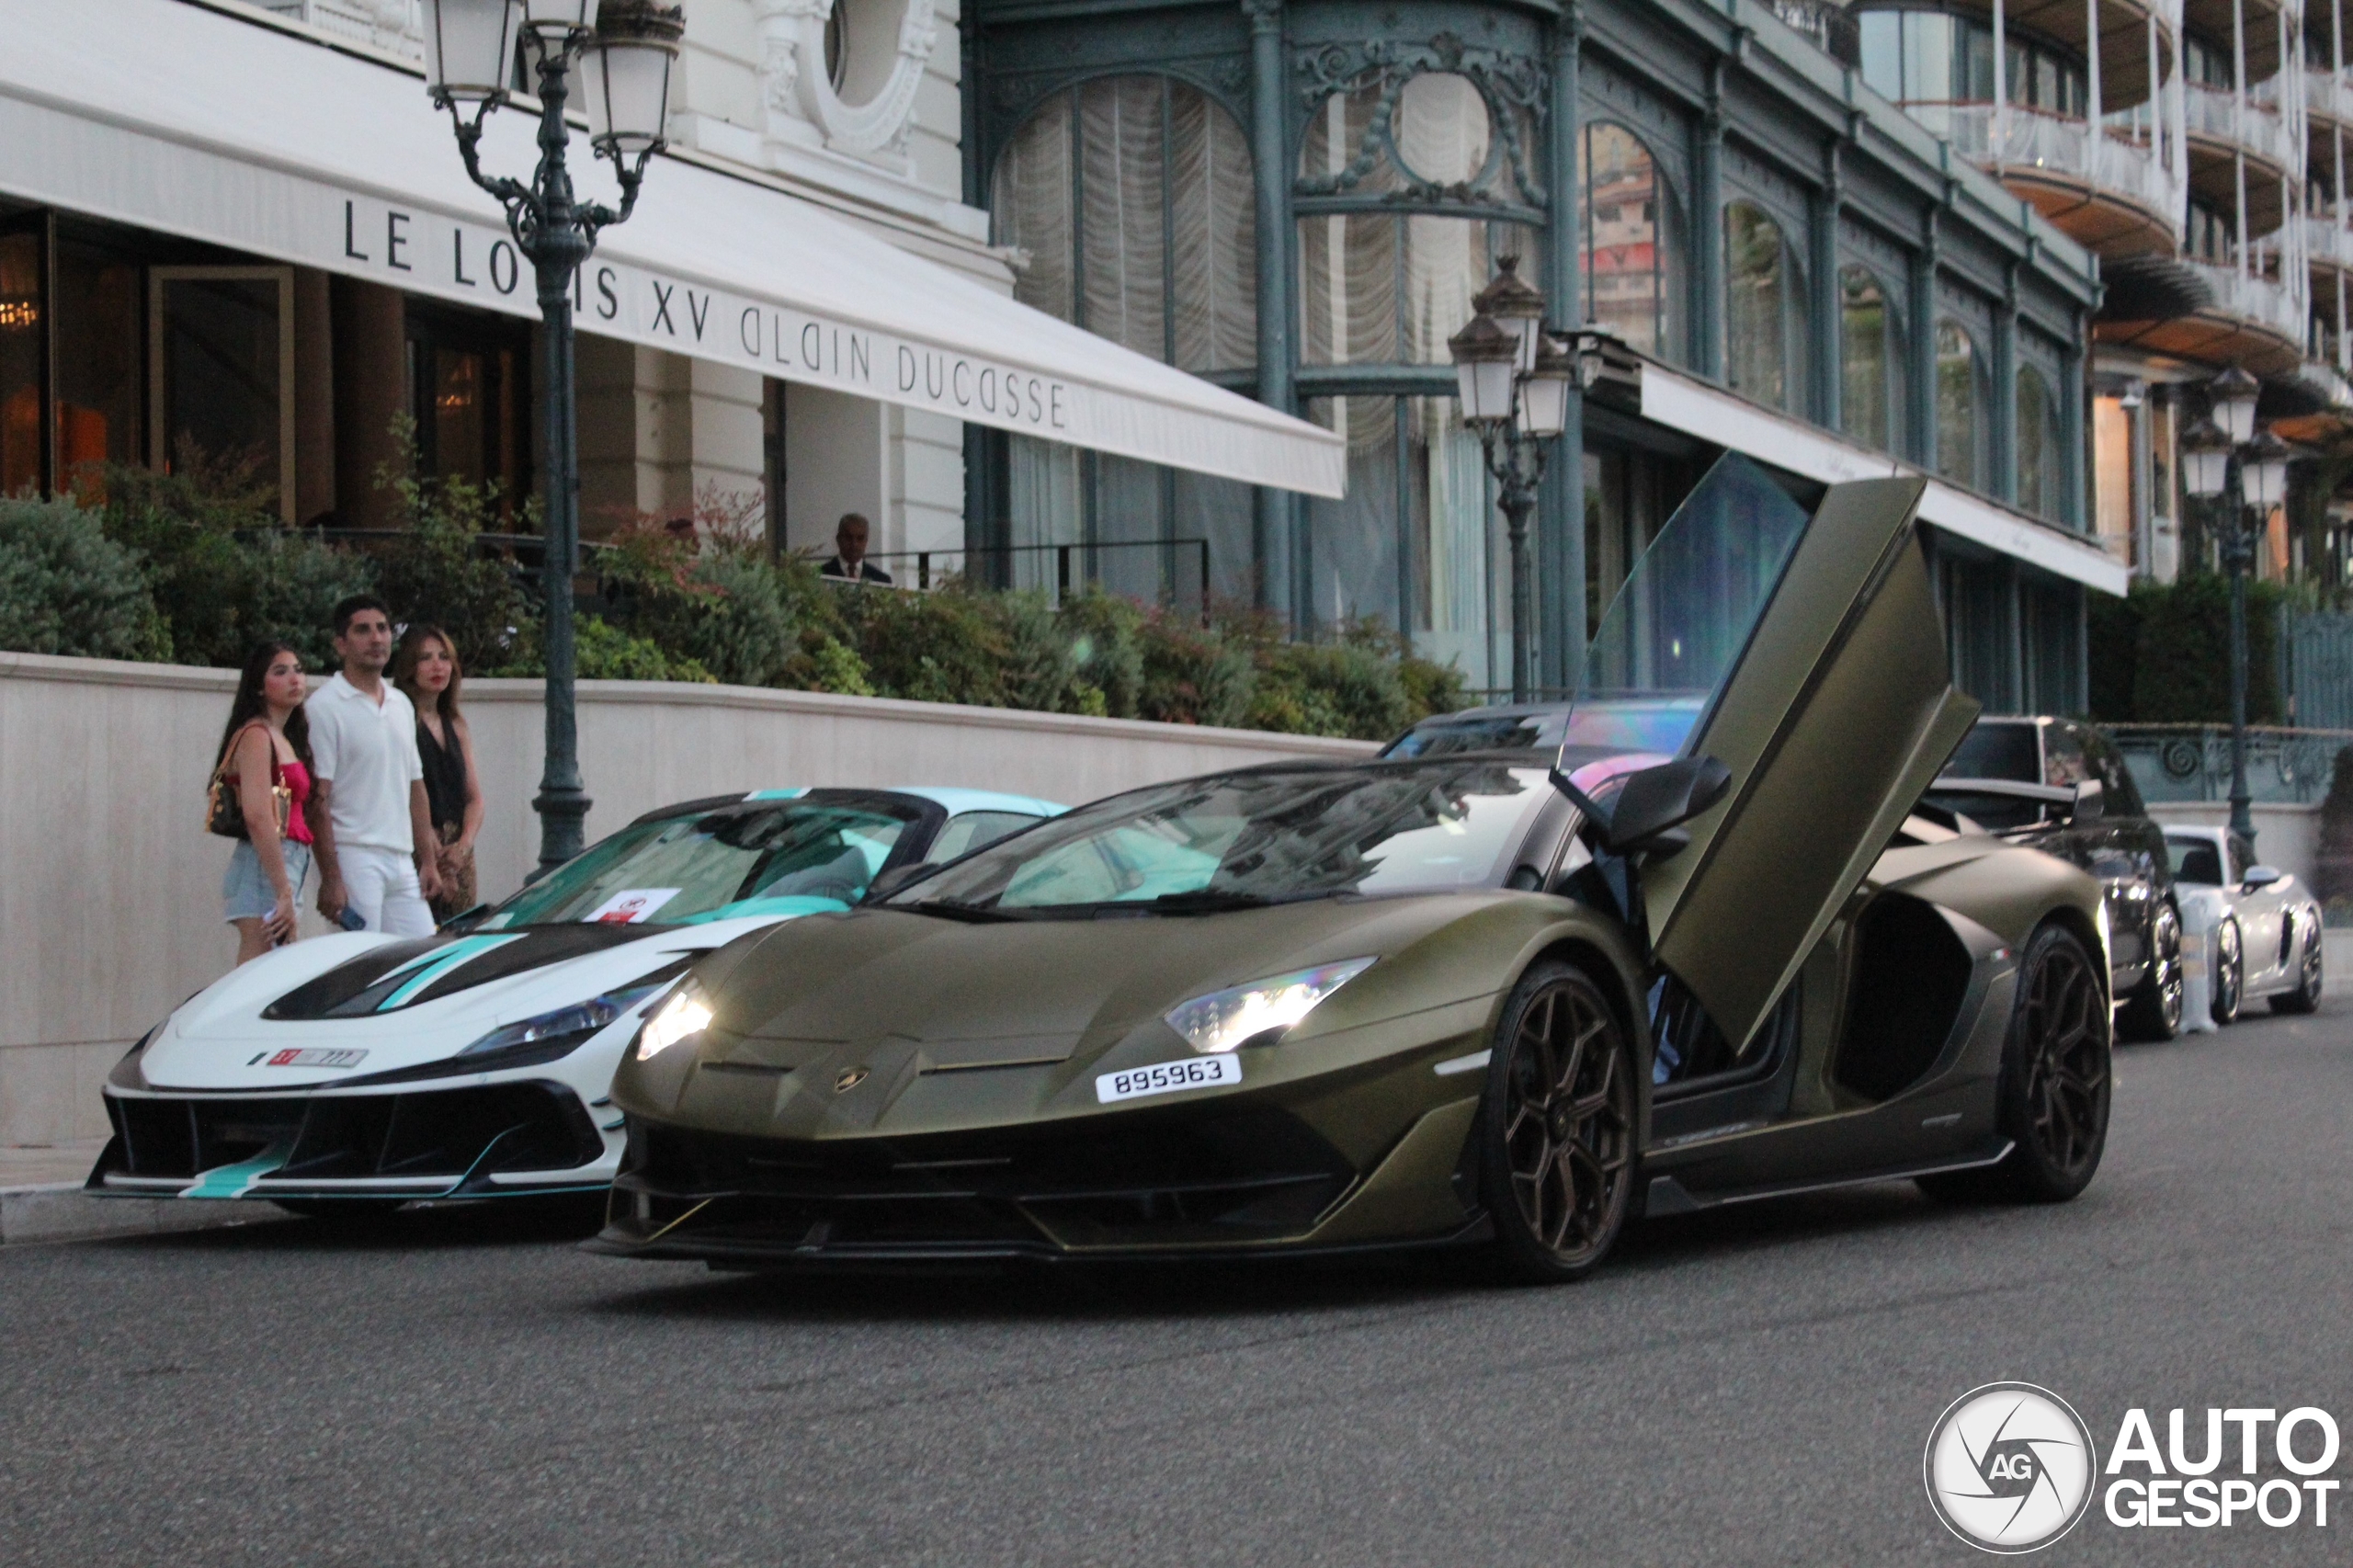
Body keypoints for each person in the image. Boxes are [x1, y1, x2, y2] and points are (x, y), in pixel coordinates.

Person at [305, 595, 442, 935]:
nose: (377, 638)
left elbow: (415, 786)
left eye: (382, 629)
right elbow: (317, 800)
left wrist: (427, 861)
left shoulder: (401, 705)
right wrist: (331, 878)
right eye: (363, 630)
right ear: (341, 644)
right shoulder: (324, 706)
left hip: (400, 858)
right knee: (359, 967)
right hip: (354, 855)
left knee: (420, 958)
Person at [215, 642, 317, 966]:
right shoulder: (257, 735)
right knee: (259, 974)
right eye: (280, 671)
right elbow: (259, 815)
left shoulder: (281, 735)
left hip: (285, 861)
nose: (294, 678)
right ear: (258, 686)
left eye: (298, 670)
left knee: (274, 969)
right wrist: (283, 890)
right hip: (267, 863)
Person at [392, 623, 485, 924]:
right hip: (418, 846)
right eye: (425, 658)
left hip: (459, 851)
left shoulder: (457, 724)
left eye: (444, 657)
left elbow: (474, 799)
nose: (437, 666)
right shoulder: (400, 720)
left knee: (461, 933)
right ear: (409, 667)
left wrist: (464, 845)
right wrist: (434, 853)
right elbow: (402, 793)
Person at [818, 512, 892, 584]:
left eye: (860, 538)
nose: (854, 544)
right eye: (848, 537)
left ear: (866, 541)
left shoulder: (881, 580)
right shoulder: (819, 576)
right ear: (838, 539)